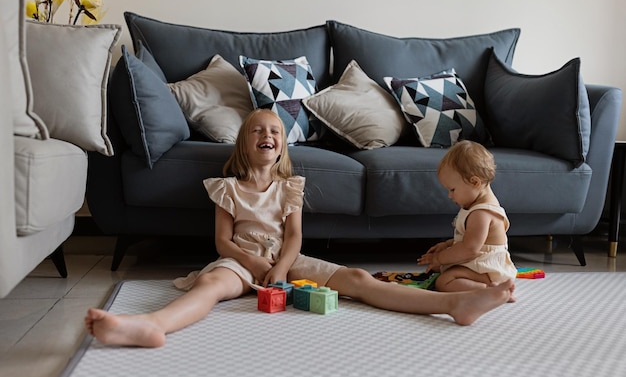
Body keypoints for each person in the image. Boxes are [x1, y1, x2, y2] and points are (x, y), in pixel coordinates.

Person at [85, 110, 514, 348]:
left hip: (285, 259)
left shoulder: (290, 187)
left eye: (275, 130)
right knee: (209, 287)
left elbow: (293, 238)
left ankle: (455, 304)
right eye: (257, 129)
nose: (266, 134)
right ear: (244, 143)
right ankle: (152, 324)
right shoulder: (227, 187)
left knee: (358, 279)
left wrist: (281, 267)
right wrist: (249, 260)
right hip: (239, 259)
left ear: (282, 146)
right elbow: (221, 239)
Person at [418, 140, 517, 294]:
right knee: (438, 269)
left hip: (488, 269)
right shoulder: (474, 205)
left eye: (452, 189)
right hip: (478, 261)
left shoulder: (481, 213)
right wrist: (447, 245)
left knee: (444, 281)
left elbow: (470, 248)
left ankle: (490, 290)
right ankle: (489, 288)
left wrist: (439, 258)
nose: (449, 196)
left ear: (475, 182)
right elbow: (471, 238)